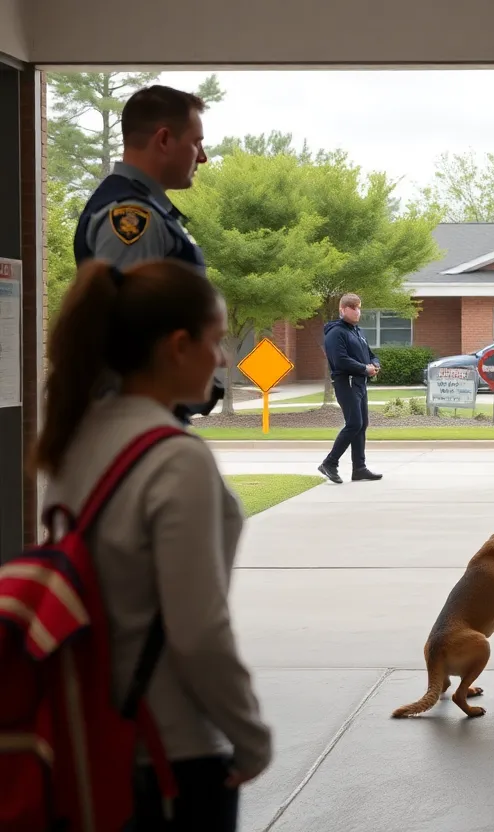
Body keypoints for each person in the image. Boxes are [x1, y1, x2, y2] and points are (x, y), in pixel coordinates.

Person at [36, 259, 272, 829]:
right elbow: (198, 630)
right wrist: (249, 735)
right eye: (215, 342)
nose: (221, 360)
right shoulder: (174, 458)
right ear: (177, 346)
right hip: (169, 751)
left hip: (85, 732)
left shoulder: (75, 441)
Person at [73, 83, 223, 421]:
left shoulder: (148, 210)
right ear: (164, 140)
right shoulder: (130, 217)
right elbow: (134, 338)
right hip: (139, 421)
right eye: (196, 142)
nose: (202, 156)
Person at [318, 293, 383, 484]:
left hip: (360, 383)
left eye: (359, 307)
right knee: (354, 423)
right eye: (352, 308)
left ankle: (359, 469)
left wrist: (374, 364)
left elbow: (371, 355)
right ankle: (330, 463)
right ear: (342, 310)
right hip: (345, 382)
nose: (357, 311)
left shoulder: (358, 332)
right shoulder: (335, 333)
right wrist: (364, 368)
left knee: (361, 425)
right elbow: (340, 360)